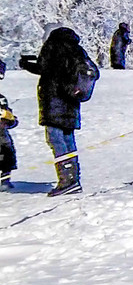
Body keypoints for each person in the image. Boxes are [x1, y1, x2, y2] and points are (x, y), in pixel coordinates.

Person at [20, 26, 98, 196]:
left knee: (55, 140)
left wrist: (26, 64)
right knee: (68, 139)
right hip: (71, 102)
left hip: (54, 101)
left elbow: (44, 68)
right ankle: (73, 178)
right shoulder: (77, 49)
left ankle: (66, 181)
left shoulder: (53, 46)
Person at [0, 90, 18, 189]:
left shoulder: (1, 99)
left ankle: (5, 179)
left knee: (7, 154)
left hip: (2, 138)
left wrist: (10, 120)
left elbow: (12, 120)